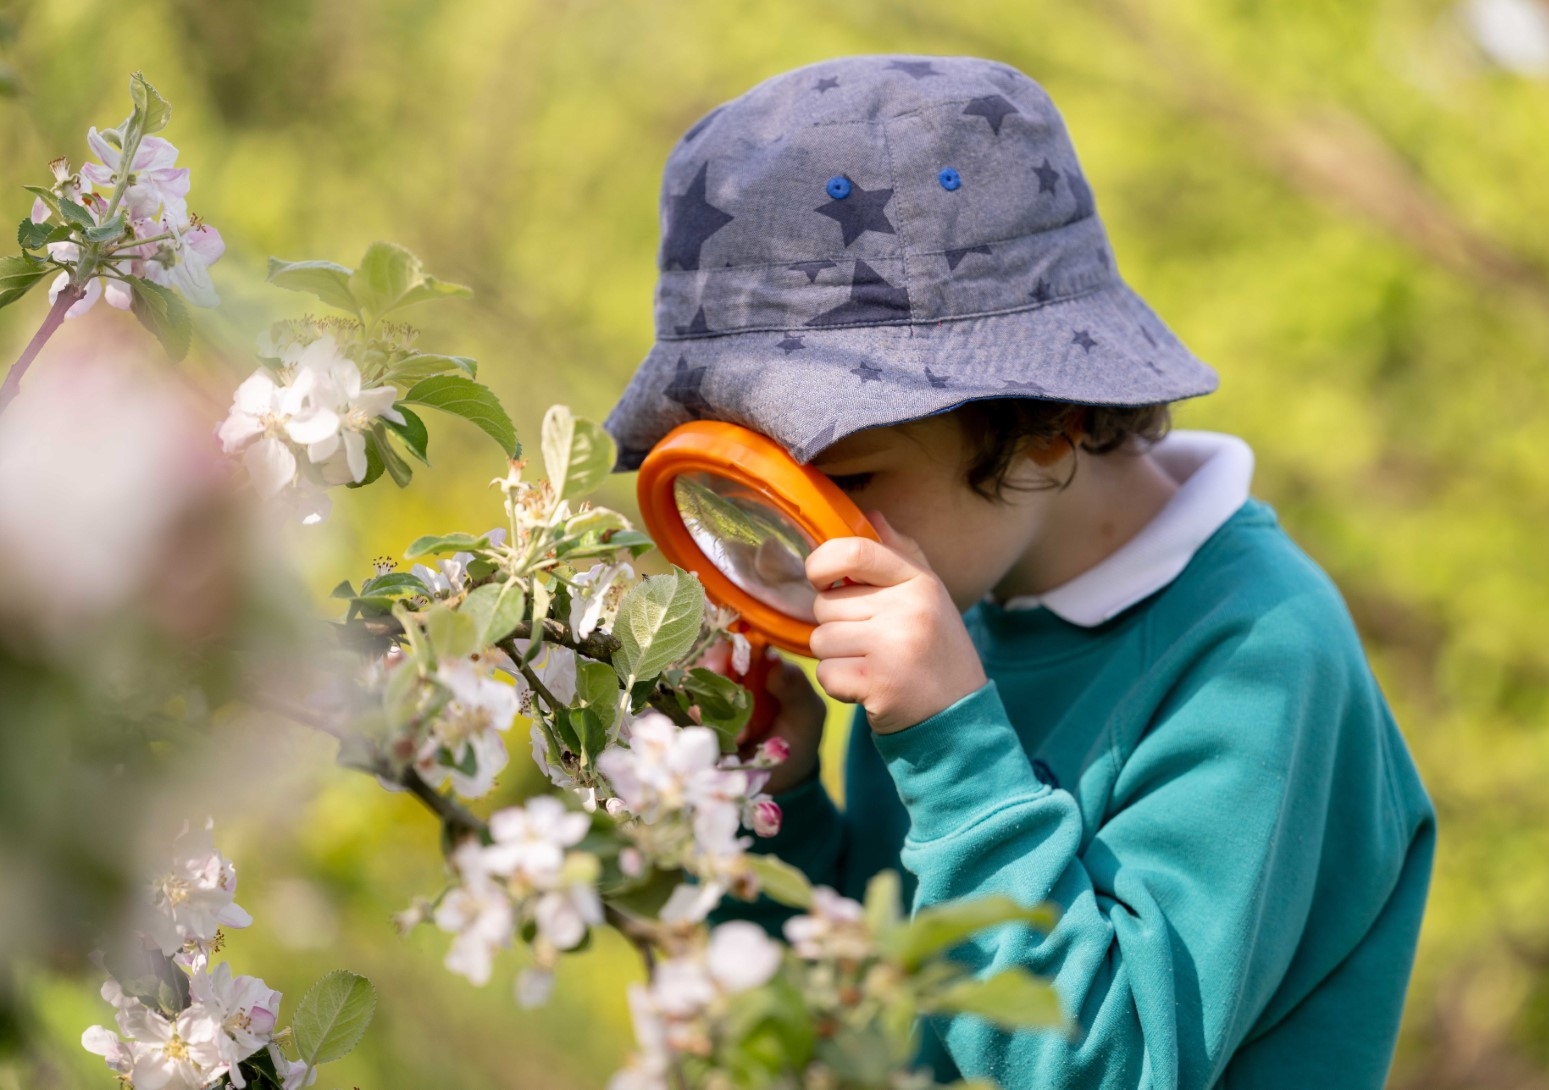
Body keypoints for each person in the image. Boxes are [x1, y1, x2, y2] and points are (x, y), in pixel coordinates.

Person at [602, 53, 1435, 1089]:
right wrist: (770, 792)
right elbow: (860, 1023)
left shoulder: (1259, 656)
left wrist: (954, 745)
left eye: (849, 477)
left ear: (1048, 426)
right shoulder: (956, 592)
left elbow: (1104, 1061)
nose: (806, 543)